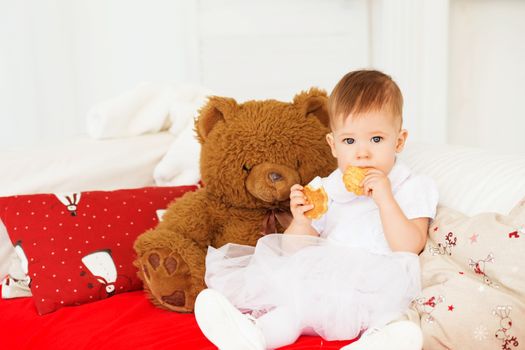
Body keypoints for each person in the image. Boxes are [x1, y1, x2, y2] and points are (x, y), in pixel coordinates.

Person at [194, 69, 438, 350]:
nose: (362, 153)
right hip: (325, 279)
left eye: (376, 139)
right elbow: (295, 251)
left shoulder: (411, 185)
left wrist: (386, 200)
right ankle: (253, 335)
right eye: (349, 141)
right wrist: (300, 221)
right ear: (333, 146)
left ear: (399, 141)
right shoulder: (327, 187)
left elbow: (409, 246)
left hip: (379, 283)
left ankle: (376, 342)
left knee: (392, 319)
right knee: (294, 309)